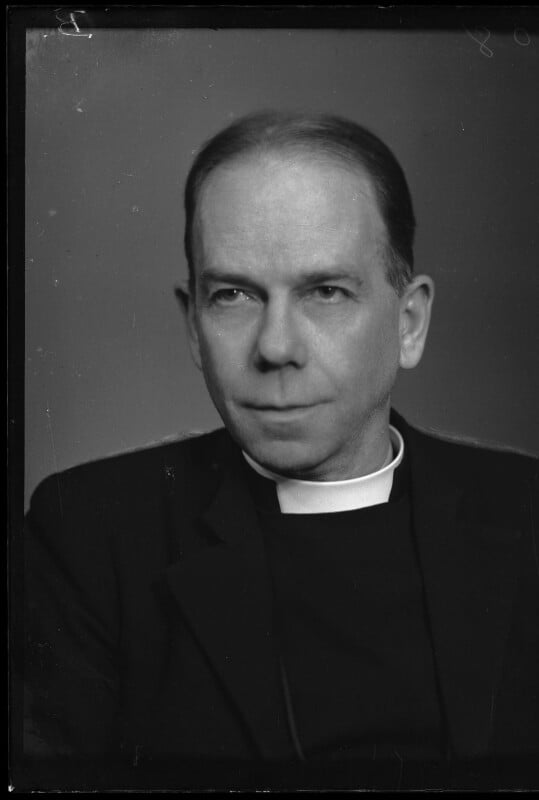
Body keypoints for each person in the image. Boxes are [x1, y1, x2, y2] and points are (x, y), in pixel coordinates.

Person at [23, 112, 538, 789]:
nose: (274, 347)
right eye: (233, 295)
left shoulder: (526, 511)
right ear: (193, 325)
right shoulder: (89, 531)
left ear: (408, 323)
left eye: (325, 292)